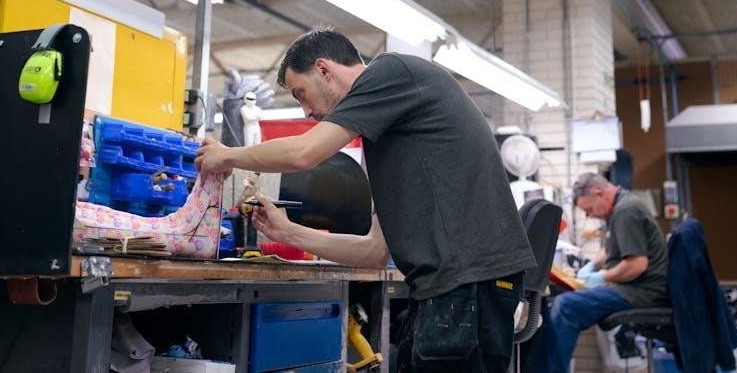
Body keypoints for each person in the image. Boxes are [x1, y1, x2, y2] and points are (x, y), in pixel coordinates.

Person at [196, 28, 536, 373]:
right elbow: (374, 251)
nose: (306, 112)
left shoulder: (391, 72)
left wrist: (228, 155)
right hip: (450, 290)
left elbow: (304, 153)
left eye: (302, 94)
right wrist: (289, 233)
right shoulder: (391, 138)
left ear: (324, 70)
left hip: (466, 288)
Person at [530, 172, 668, 373]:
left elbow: (637, 265)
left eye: (589, 209)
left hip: (643, 291)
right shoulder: (619, 208)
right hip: (635, 288)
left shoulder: (626, 211)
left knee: (566, 306)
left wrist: (601, 276)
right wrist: (592, 266)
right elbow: (610, 248)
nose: (590, 215)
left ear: (599, 193)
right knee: (557, 303)